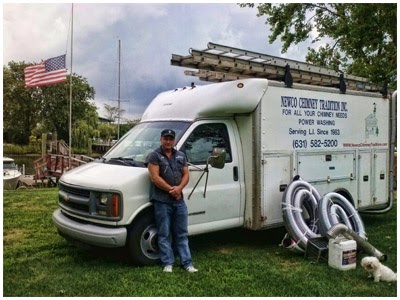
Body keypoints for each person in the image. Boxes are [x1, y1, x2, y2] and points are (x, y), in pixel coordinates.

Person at [144, 129, 198, 273]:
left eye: (170, 139)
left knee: (181, 233)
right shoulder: (154, 156)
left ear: (174, 140)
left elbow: (186, 174)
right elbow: (154, 178)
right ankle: (168, 263)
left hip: (179, 201)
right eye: (165, 138)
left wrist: (179, 189)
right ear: (161, 139)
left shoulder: (180, 155)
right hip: (162, 201)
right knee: (164, 233)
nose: (168, 141)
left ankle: (187, 263)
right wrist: (172, 190)